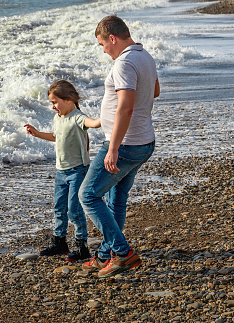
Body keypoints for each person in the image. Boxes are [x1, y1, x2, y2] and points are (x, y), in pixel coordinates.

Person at [78, 15, 160, 278]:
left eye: (102, 44)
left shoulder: (124, 62)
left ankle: (123, 253)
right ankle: (105, 256)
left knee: (88, 195)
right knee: (116, 200)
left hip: (125, 144)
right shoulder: (144, 56)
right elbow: (154, 91)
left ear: (112, 38)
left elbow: (126, 106)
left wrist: (113, 148)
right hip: (143, 141)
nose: (103, 50)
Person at [25, 79, 101, 262]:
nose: (52, 107)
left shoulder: (77, 117)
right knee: (59, 208)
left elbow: (94, 123)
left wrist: (107, 116)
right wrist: (37, 133)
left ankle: (81, 245)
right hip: (61, 171)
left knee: (74, 209)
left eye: (54, 102)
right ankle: (60, 241)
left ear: (69, 100)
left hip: (77, 171)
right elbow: (56, 136)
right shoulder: (58, 118)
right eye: (51, 103)